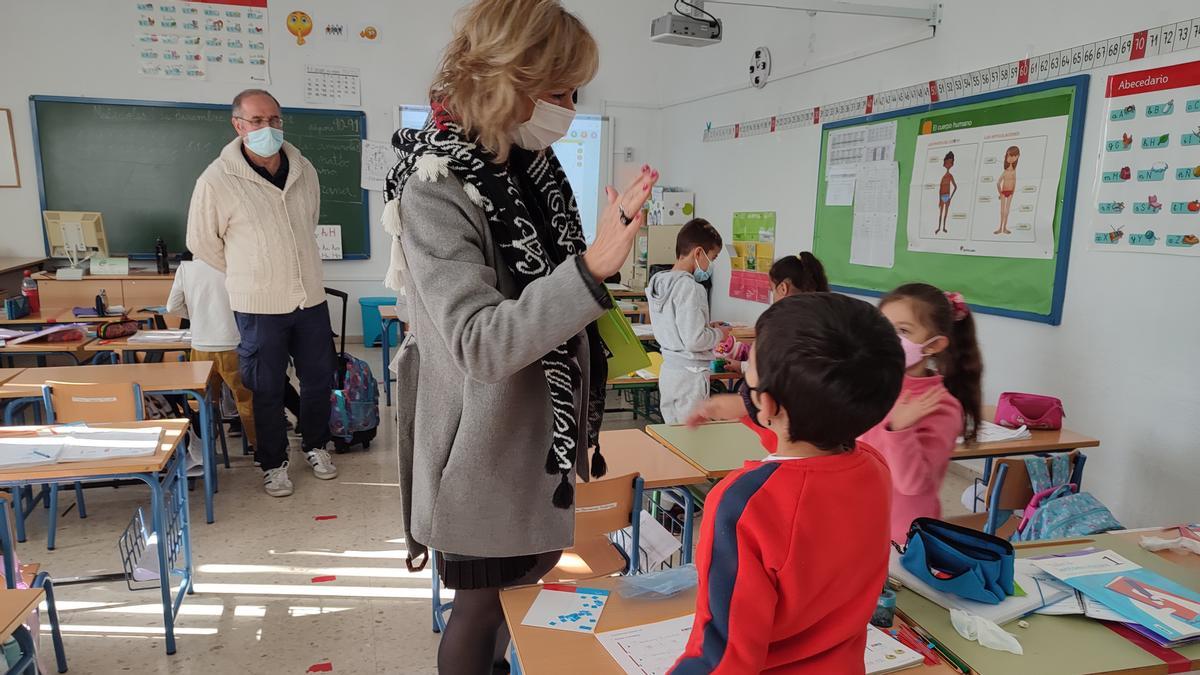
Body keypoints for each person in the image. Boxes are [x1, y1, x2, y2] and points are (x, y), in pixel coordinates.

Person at [381, 1, 658, 671]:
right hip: (479, 452)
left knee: (512, 601)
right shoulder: (436, 187)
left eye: (573, 92)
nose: (568, 107)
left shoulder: (528, 170)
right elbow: (478, 342)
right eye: (558, 91)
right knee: (481, 609)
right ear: (508, 79)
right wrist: (592, 268)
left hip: (531, 450)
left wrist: (590, 262)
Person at [670, 294, 904, 673]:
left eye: (748, 372)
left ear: (768, 405)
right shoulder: (874, 468)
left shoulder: (742, 505)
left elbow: (722, 657)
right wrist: (751, 409)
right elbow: (806, 455)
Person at [186, 88, 338, 498]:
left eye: (274, 119)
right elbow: (202, 242)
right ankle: (273, 463)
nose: (267, 128)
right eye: (257, 121)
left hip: (310, 298)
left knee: (319, 380)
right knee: (266, 387)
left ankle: (317, 445)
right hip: (258, 305)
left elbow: (310, 221)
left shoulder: (304, 169)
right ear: (238, 125)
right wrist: (248, 272)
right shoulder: (217, 180)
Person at [860, 283, 983, 541]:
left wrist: (899, 429)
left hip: (898, 536)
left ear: (933, 345)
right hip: (856, 521)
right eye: (882, 326)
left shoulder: (940, 405)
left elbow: (912, 484)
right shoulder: (873, 384)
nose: (886, 338)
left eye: (903, 330)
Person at [165, 251, 256, 453]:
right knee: (246, 399)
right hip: (234, 345)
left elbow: (172, 306)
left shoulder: (186, 269)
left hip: (201, 347)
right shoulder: (235, 266)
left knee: (204, 403)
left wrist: (194, 316)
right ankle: (257, 446)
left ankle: (206, 448)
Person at [646, 218, 731, 424]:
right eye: (713, 257)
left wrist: (706, 327)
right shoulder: (691, 288)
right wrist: (720, 334)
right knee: (690, 438)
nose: (712, 265)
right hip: (690, 374)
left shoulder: (659, 282)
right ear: (699, 253)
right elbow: (694, 340)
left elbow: (678, 327)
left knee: (672, 433)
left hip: (669, 372)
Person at [719, 252, 829, 373]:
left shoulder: (786, 323)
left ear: (783, 288)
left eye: (772, 290)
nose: (772, 297)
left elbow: (774, 367)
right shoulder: (824, 314)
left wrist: (743, 367)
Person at [995, 145, 1019, 235]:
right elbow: (998, 183)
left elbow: (1014, 182)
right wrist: (1000, 193)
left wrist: (1013, 192)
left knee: (1006, 211)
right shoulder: (1006, 172)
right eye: (1009, 156)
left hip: (1010, 192)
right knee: (1002, 211)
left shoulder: (1014, 171)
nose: (1012, 158)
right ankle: (1000, 228)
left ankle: (1004, 228)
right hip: (1004, 192)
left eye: (1014, 156)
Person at [936, 150, 957, 235]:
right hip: (942, 197)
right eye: (947, 162)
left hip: (947, 196)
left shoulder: (950, 176)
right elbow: (940, 189)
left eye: (950, 162)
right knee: (941, 214)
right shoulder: (943, 176)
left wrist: (950, 197)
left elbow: (955, 187)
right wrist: (939, 200)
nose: (948, 164)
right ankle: (939, 228)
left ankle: (944, 227)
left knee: (945, 214)